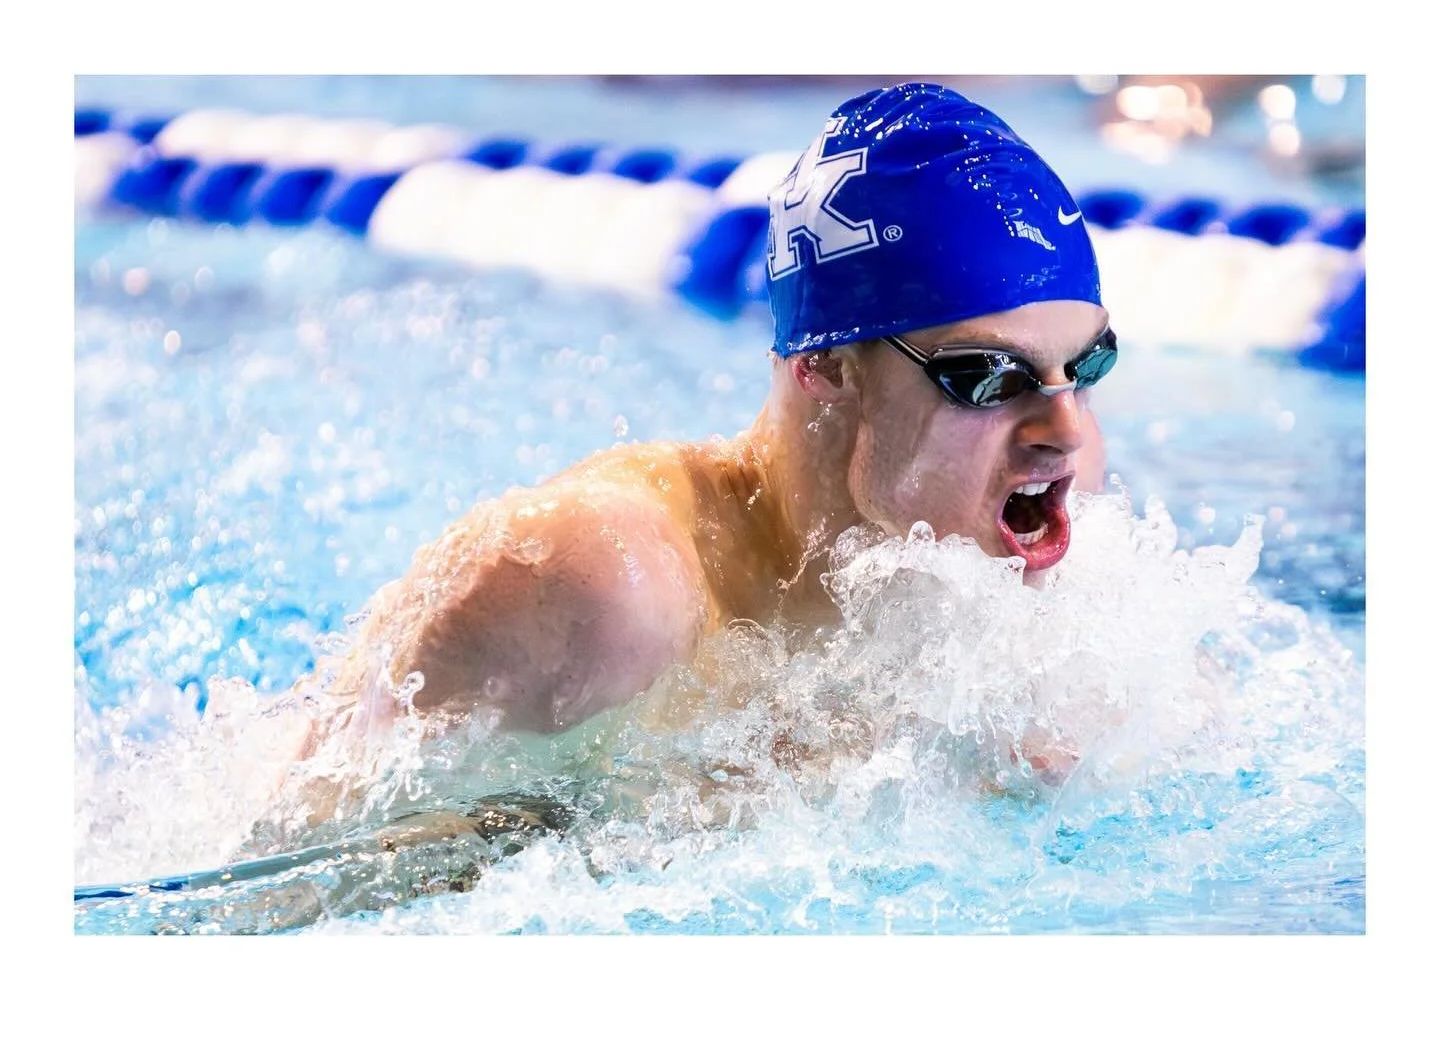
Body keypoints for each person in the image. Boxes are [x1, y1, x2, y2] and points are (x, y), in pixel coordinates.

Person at [301, 81, 1117, 769]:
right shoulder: (604, 588)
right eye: (987, 377)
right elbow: (282, 868)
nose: (1066, 431)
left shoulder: (1034, 520)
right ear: (826, 364)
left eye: (1085, 367)